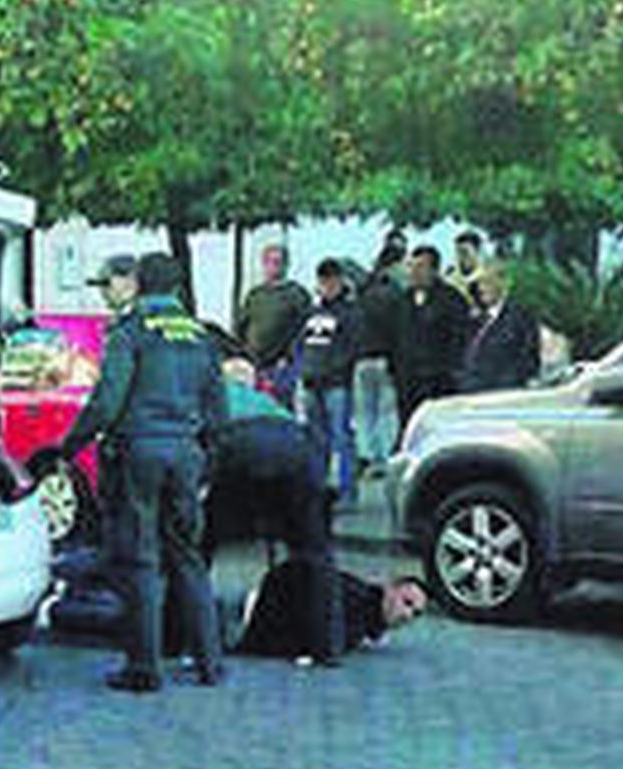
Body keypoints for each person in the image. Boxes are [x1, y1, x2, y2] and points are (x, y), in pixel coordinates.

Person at [60, 252, 226, 694]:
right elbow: (218, 409)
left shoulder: (131, 332)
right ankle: (210, 661)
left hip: (139, 454)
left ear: (139, 283)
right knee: (188, 557)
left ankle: (144, 667)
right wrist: (205, 457)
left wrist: (69, 445)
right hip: (186, 455)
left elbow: (107, 401)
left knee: (142, 561)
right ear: (175, 287)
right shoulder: (202, 336)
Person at [204, 374, 344, 665]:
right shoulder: (260, 398)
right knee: (316, 554)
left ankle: (187, 638)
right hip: (297, 450)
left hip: (239, 447)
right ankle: (326, 646)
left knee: (200, 547)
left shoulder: (203, 391)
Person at [224, 565, 427, 661]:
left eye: (415, 613)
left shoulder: (365, 617)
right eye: (406, 603)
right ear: (390, 589)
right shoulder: (356, 602)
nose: (407, 615)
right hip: (248, 617)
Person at [296, 258, 361, 502]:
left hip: (336, 384)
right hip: (311, 382)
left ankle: (347, 490)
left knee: (342, 437)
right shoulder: (312, 312)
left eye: (332, 280)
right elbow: (299, 343)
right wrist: (301, 368)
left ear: (340, 281)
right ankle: (317, 487)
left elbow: (353, 347)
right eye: (323, 280)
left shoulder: (350, 312)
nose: (327, 285)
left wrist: (335, 369)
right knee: (316, 440)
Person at [390, 246, 473, 431]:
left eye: (421, 266)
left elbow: (460, 339)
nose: (414, 272)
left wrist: (451, 371)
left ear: (434, 270)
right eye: (411, 266)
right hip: (407, 382)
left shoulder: (451, 299)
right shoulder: (403, 300)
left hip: (438, 381)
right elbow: (395, 337)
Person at [236, 243, 312, 405]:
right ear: (263, 264)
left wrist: (289, 356)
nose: (274, 266)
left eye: (278, 262)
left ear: (286, 265)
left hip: (282, 365)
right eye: (270, 261)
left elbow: (304, 330)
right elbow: (241, 326)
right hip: (255, 364)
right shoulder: (255, 295)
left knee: (280, 407)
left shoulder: (296, 294)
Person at [353, 242, 407, 468]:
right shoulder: (396, 293)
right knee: (385, 411)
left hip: (362, 357)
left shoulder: (364, 290)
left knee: (365, 411)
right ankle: (383, 459)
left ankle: (366, 452)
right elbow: (399, 329)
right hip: (385, 357)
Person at [461, 263, 541, 392]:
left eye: (487, 282)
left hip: (499, 396)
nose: (481, 289)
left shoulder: (519, 319)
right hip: (470, 396)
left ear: (503, 284)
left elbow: (526, 362)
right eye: (480, 284)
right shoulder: (476, 321)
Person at [446, 231, 487, 316]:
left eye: (465, 252)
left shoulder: (485, 278)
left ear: (476, 251)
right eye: (458, 252)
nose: (461, 257)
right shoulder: (450, 273)